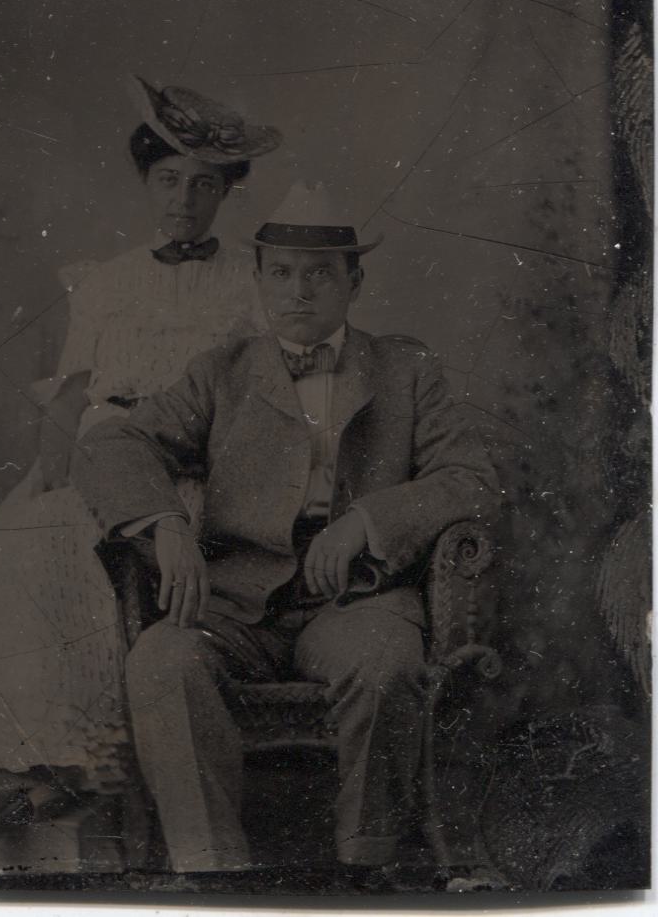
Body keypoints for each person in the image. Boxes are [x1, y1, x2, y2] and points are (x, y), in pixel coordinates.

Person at [72, 183, 500, 878]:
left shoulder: (406, 372)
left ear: (353, 281)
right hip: (235, 604)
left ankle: (366, 870)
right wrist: (167, 523)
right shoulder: (222, 372)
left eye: (320, 273)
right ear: (260, 279)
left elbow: (473, 480)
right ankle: (214, 873)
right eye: (282, 272)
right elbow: (113, 446)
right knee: (162, 662)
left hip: (354, 597)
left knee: (387, 662)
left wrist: (368, 521)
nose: (299, 290)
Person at [0, 79, 282, 848]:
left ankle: (93, 772)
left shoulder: (254, 280)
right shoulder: (105, 282)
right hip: (102, 456)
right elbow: (78, 393)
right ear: (147, 183)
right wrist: (56, 472)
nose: (184, 200)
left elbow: (267, 399)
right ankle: (41, 765)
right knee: (6, 563)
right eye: (169, 181)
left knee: (103, 558)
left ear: (226, 193)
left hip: (196, 466)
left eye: (203, 185)